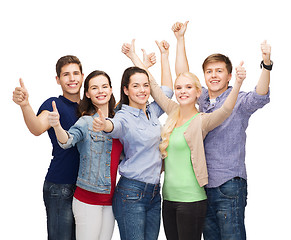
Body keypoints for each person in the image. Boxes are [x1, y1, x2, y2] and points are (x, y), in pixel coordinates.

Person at [121, 39, 246, 240]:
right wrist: (133, 57)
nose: (182, 91)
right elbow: (152, 86)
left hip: (192, 200)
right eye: (179, 88)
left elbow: (226, 110)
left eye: (188, 87)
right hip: (168, 199)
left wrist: (238, 84)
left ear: (198, 92)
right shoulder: (172, 112)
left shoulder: (202, 121)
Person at [172, 21, 271, 240]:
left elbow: (260, 95)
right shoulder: (204, 97)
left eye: (219, 71)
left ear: (229, 76)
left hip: (229, 186)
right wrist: (180, 40)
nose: (213, 75)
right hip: (203, 187)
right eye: (209, 72)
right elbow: (183, 76)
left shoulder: (239, 101)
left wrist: (266, 64)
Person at [92, 39, 173, 240]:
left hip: (155, 193)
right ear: (126, 90)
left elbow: (167, 91)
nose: (143, 90)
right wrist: (105, 125)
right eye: (136, 86)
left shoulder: (152, 112)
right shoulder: (123, 116)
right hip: (131, 193)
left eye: (146, 86)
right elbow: (115, 127)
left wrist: (164, 56)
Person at [12, 55, 84, 240]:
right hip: (61, 186)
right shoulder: (55, 104)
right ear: (58, 80)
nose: (72, 78)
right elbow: (36, 128)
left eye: (76, 73)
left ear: (82, 76)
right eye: (66, 75)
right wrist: (25, 105)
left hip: (86, 188)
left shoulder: (90, 107)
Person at [47, 70, 123, 240]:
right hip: (88, 199)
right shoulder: (85, 121)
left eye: (104, 86)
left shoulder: (118, 121)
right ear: (87, 94)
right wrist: (57, 126)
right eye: (94, 88)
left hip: (110, 201)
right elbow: (67, 141)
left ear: (111, 89)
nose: (101, 91)